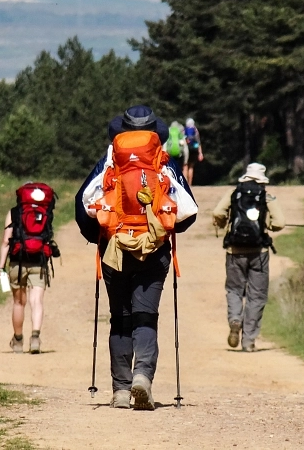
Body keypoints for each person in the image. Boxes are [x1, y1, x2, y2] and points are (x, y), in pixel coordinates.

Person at [75, 105, 197, 410]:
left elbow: (82, 205)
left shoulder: (109, 161)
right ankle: (142, 376)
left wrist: (100, 238)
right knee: (146, 316)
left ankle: (119, 390)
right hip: (153, 250)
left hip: (115, 248)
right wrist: (163, 231)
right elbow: (188, 210)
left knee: (120, 319)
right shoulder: (162, 162)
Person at [212, 163, 284, 352]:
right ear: (262, 179)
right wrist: (268, 226)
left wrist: (223, 223)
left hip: (234, 251)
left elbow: (218, 213)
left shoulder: (234, 193)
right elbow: (280, 223)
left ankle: (235, 319)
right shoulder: (266, 195)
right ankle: (249, 341)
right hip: (259, 253)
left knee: (235, 290)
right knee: (257, 296)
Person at [0, 182, 59, 355]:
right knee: (36, 301)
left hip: (17, 261)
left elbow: (5, 241)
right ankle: (35, 338)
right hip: (39, 260)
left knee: (18, 302)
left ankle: (17, 341)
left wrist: (1, 266)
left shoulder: (14, 213)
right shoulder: (45, 212)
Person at [183, 118, 203, 185]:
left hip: (186, 149)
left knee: (185, 166)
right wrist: (200, 153)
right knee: (191, 167)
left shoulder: (184, 130)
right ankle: (190, 184)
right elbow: (198, 142)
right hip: (194, 149)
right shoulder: (195, 130)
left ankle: (185, 184)